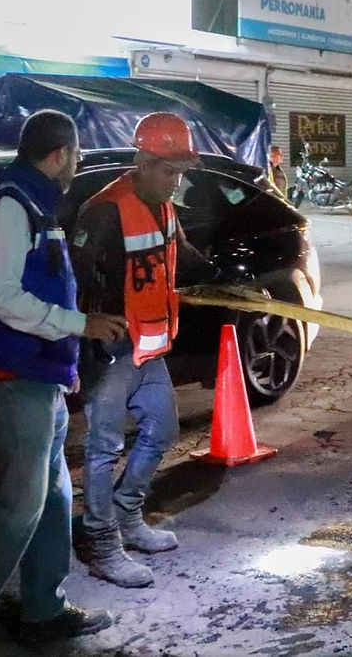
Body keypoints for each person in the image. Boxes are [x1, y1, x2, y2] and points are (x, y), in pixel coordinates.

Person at [0, 111, 125, 643]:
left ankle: (43, 608)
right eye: (77, 156)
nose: (78, 165)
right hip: (11, 382)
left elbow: (50, 286)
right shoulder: (10, 206)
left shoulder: (36, 204)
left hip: (41, 378)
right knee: (18, 508)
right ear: (58, 155)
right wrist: (80, 326)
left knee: (53, 500)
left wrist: (65, 368)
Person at [71, 113, 219, 587]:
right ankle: (101, 541)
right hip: (111, 351)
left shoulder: (164, 209)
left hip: (149, 348)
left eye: (180, 173)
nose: (175, 182)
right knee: (103, 448)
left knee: (162, 430)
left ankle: (125, 516)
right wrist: (80, 327)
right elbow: (71, 276)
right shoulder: (105, 209)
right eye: (167, 171)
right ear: (142, 160)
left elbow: (185, 258)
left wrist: (229, 282)